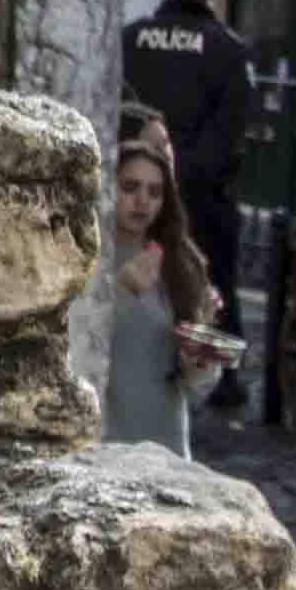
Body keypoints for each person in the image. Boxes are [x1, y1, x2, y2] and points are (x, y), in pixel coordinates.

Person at [121, 0, 258, 393]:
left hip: (133, 183)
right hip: (201, 193)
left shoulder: (131, 38)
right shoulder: (228, 50)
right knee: (212, 281)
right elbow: (233, 131)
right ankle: (221, 376)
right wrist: (187, 179)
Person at [100, 130, 229, 451]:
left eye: (155, 192)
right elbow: (76, 340)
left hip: (165, 442)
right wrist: (124, 288)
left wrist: (201, 358)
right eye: (130, 187)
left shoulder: (180, 261)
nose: (142, 201)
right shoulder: (89, 254)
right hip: (104, 441)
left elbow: (197, 388)